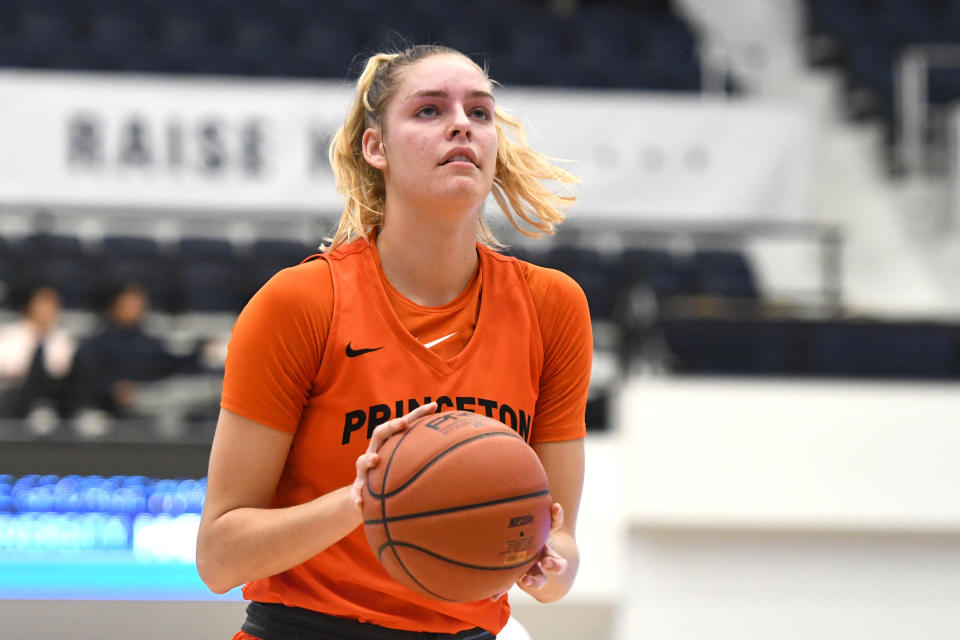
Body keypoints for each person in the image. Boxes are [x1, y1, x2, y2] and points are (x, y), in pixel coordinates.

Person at [197, 44, 592, 640]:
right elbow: (219, 557)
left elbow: (561, 552)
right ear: (375, 147)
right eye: (429, 110)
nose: (462, 123)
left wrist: (546, 564)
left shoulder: (553, 307)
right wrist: (365, 499)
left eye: (479, 112)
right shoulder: (301, 302)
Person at [72, 282, 200, 418]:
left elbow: (168, 364)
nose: (137, 308)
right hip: (110, 412)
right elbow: (88, 380)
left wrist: (200, 351)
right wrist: (113, 389)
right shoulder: (97, 343)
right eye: (130, 303)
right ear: (114, 305)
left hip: (149, 405)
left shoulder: (148, 341)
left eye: (139, 303)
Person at [0, 285, 76, 423]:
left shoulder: (64, 339)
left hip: (54, 396)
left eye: (51, 306)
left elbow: (63, 371)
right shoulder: (8, 335)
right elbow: (7, 368)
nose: (46, 311)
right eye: (41, 305)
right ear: (30, 306)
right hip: (14, 395)